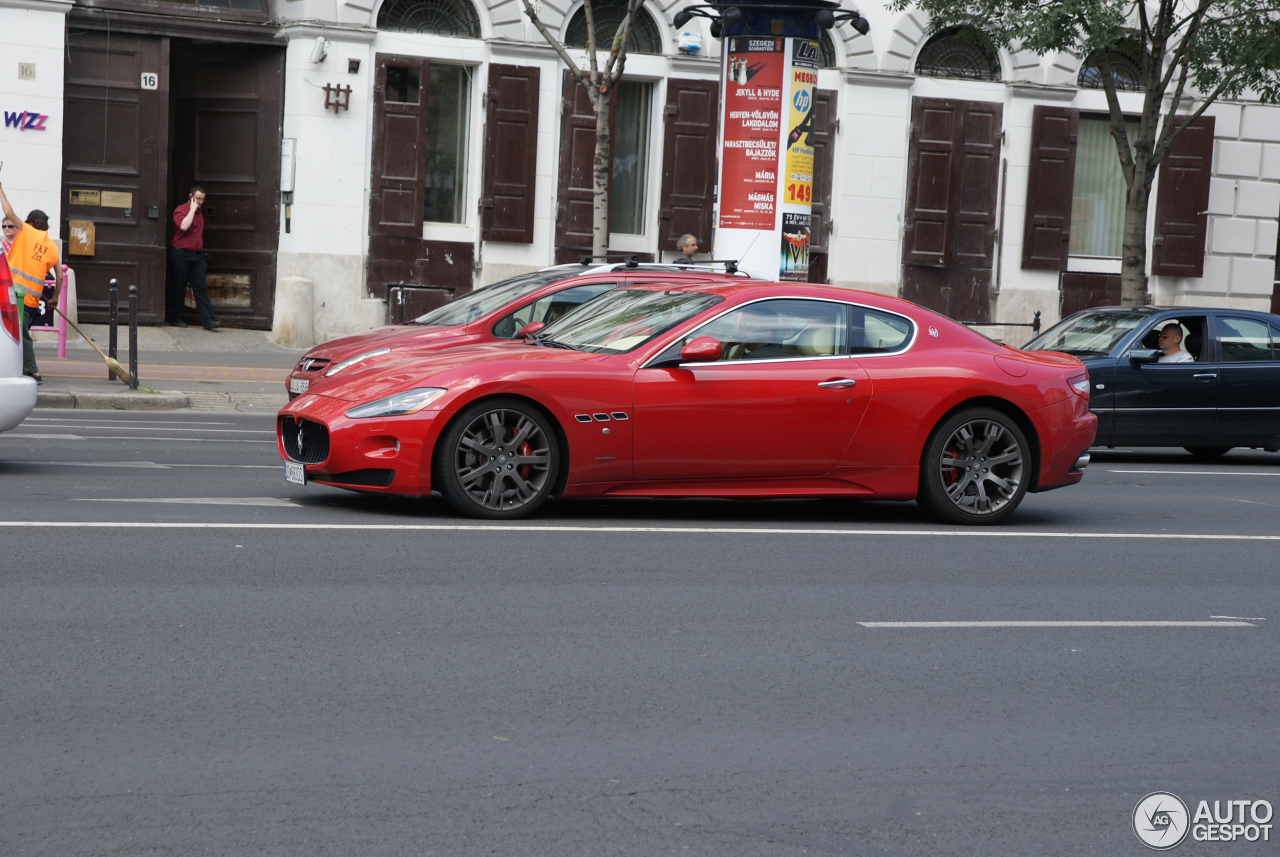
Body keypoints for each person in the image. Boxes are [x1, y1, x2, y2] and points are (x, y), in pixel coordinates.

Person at [0, 183, 63, 384]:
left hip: (16, 295)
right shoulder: (52, 247)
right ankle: (19, 367)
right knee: (19, 334)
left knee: (21, 335)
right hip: (33, 301)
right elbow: (59, 277)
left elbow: (8, 212)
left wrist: (0, 190)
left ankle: (33, 371)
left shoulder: (27, 232)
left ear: (32, 223)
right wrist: (54, 298)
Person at [168, 184, 219, 330]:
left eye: (202, 199)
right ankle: (176, 318)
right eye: (197, 199)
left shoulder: (200, 212)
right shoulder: (181, 210)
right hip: (180, 254)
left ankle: (208, 321)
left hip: (196, 256)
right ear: (191, 196)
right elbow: (184, 226)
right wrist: (191, 209)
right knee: (179, 287)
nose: (200, 202)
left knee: (200, 287)